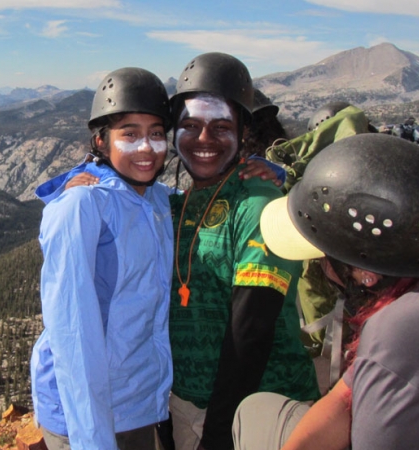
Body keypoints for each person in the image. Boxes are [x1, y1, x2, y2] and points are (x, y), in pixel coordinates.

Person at [233, 133, 419, 450]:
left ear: (363, 274)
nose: (319, 266)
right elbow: (345, 395)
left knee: (255, 415)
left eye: (321, 256)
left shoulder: (397, 330)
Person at [165, 52, 319, 450]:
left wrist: (217, 435)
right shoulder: (178, 204)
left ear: (242, 130)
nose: (204, 139)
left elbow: (251, 330)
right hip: (187, 406)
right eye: (190, 126)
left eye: (220, 126)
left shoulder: (257, 202)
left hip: (256, 414)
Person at [30, 67, 174, 450]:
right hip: (89, 415)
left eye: (156, 134)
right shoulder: (83, 206)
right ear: (100, 140)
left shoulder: (156, 198)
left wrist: (265, 172)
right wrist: (92, 440)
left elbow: (204, 196)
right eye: (129, 134)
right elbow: (74, 335)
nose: (146, 147)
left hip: (138, 402)